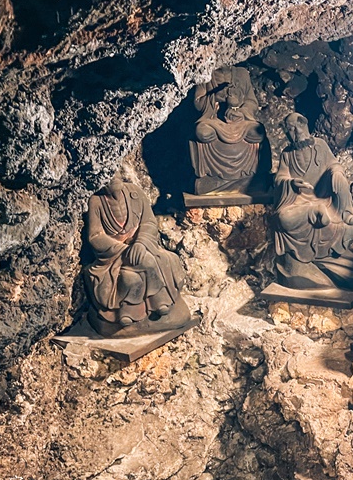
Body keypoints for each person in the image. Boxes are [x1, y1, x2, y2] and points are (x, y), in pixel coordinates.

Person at [271, 112, 353, 291]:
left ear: (304, 124)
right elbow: (280, 177)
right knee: (283, 218)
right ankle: (314, 215)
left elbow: (333, 164)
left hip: (324, 200)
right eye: (289, 130)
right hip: (300, 203)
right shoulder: (287, 154)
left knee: (351, 215)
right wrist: (290, 183)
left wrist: (337, 173)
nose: (293, 133)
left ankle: (340, 216)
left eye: (295, 127)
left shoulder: (320, 146)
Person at [84, 173, 188, 335]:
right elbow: (95, 236)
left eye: (115, 174)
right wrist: (122, 249)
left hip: (142, 245)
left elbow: (148, 222)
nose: (113, 179)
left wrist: (141, 242)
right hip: (115, 254)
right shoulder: (96, 202)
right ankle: (128, 312)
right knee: (129, 277)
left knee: (153, 261)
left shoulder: (135, 192)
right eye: (108, 177)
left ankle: (159, 301)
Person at [190, 67, 269, 195]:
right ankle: (211, 178)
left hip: (240, 121)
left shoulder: (242, 73)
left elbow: (252, 102)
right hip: (215, 120)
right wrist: (215, 97)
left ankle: (250, 177)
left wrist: (241, 112)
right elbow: (198, 103)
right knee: (202, 133)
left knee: (257, 133)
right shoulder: (205, 72)